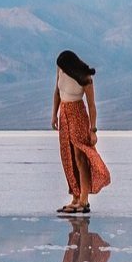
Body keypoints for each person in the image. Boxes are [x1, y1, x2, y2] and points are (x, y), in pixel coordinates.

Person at [51, 49, 110, 216]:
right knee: (68, 156)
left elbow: (91, 106)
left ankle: (84, 200)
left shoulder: (85, 78)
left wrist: (93, 130)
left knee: (80, 157)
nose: (59, 68)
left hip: (78, 115)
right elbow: (57, 92)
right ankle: (75, 198)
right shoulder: (61, 70)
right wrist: (54, 114)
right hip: (64, 116)